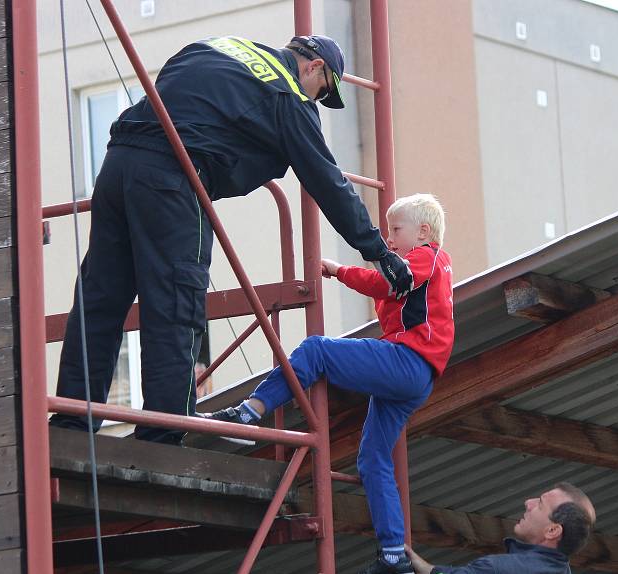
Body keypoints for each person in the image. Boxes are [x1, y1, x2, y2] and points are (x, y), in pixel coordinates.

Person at [49, 34, 413, 444]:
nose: (317, 100)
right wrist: (377, 250)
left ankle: (71, 423)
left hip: (118, 163)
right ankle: (164, 433)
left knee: (100, 298)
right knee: (174, 300)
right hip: (173, 176)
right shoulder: (289, 95)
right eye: (323, 91)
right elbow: (326, 181)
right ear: (314, 67)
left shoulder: (219, 46)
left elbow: (175, 82)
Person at [201, 193, 454, 574]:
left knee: (317, 350)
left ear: (422, 231)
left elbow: (385, 281)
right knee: (372, 457)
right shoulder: (425, 264)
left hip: (408, 361)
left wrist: (338, 271)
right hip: (416, 375)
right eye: (386, 232)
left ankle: (252, 410)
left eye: (395, 231)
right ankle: (393, 555)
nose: (388, 240)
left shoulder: (426, 256)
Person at [310, 482, 597, 574]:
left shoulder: (498, 572)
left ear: (552, 531)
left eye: (541, 504)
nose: (528, 502)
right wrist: (432, 569)